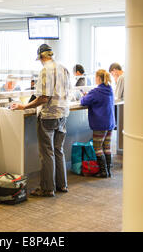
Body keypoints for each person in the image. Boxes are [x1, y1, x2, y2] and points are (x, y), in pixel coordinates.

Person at [11, 44, 71, 197]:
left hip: (48, 115)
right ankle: (62, 185)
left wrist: (24, 106)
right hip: (63, 114)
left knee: (47, 153)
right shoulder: (64, 68)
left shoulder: (46, 70)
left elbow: (44, 98)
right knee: (58, 150)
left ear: (42, 57)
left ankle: (47, 188)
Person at [80, 69, 115, 178]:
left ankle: (103, 172)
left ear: (98, 78)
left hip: (100, 123)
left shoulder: (96, 91)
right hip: (110, 123)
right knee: (107, 147)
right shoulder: (109, 89)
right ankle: (108, 171)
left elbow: (83, 101)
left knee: (97, 147)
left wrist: (84, 96)